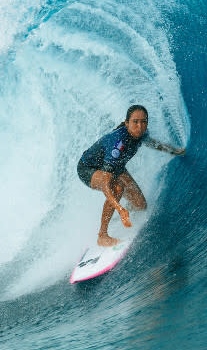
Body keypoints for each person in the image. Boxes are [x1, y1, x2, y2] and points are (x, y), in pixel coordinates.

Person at [77, 104, 185, 247]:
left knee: (140, 205)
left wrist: (173, 151)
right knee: (117, 189)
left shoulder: (142, 134)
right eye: (135, 122)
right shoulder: (118, 143)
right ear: (127, 123)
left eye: (143, 121)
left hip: (116, 167)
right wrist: (119, 207)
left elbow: (153, 143)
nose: (139, 126)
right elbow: (105, 184)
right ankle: (102, 235)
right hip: (88, 168)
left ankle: (115, 216)